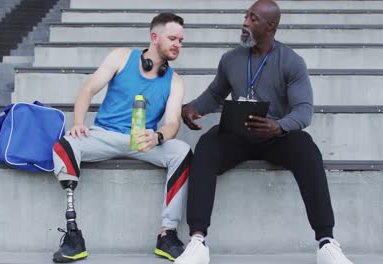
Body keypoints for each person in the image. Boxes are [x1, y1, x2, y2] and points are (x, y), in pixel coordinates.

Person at [175, 1, 353, 264]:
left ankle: (326, 242)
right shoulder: (230, 59)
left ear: (271, 26)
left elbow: (304, 111)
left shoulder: (292, 62)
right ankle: (198, 241)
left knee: (307, 149)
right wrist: (192, 108)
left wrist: (279, 126)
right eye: (246, 16)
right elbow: (215, 94)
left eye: (253, 18)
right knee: (206, 146)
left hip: (276, 136)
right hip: (237, 136)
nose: (245, 22)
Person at [51, 13, 192, 263]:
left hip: (143, 142)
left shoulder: (176, 82)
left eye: (181, 40)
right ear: (154, 37)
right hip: (103, 135)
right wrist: (78, 123)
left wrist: (158, 136)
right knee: (65, 144)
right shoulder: (121, 57)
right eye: (172, 38)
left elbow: (172, 122)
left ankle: (167, 234)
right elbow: (88, 89)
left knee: (181, 151)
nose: (177, 45)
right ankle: (73, 235)